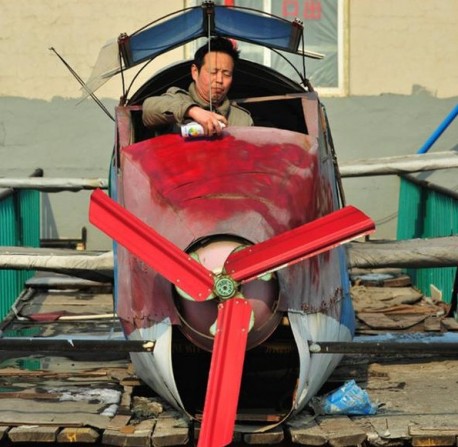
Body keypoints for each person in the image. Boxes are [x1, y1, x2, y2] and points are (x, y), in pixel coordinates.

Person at [142, 37, 253, 136]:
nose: (219, 80)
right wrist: (192, 111)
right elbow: (148, 109)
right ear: (195, 72)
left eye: (226, 74)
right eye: (213, 72)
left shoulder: (242, 119)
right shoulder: (177, 100)